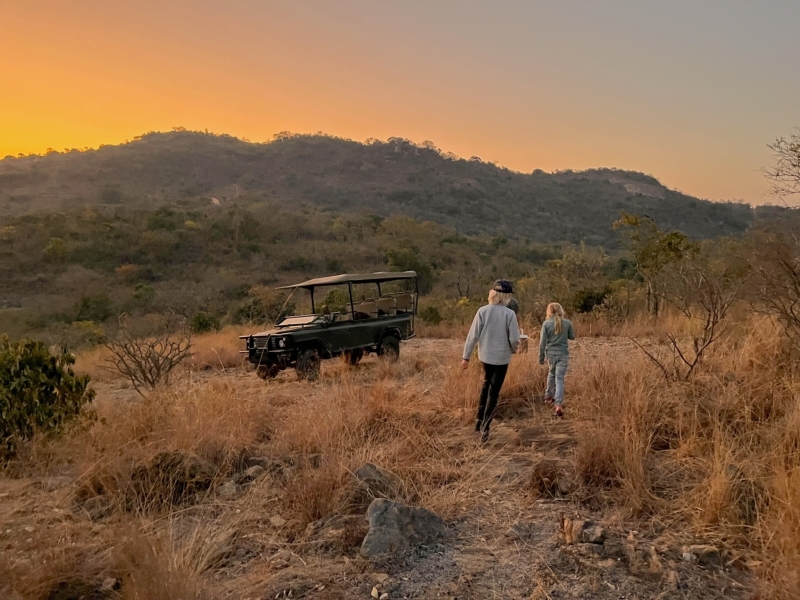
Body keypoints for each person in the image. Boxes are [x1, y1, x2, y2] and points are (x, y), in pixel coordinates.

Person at [462, 280, 521, 442]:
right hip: (502, 358)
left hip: (485, 356)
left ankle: (478, 422)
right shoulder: (509, 314)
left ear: (493, 293)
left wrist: (465, 357)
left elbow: (472, 336)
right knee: (494, 392)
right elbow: (515, 339)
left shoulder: (482, 311)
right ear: (506, 296)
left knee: (485, 385)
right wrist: (513, 349)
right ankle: (485, 428)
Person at [538, 302, 576, 417]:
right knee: (560, 379)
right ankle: (558, 404)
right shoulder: (567, 323)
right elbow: (572, 337)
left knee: (551, 374)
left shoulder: (546, 324)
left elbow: (542, 343)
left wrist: (541, 357)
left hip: (551, 354)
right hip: (563, 354)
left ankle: (548, 396)